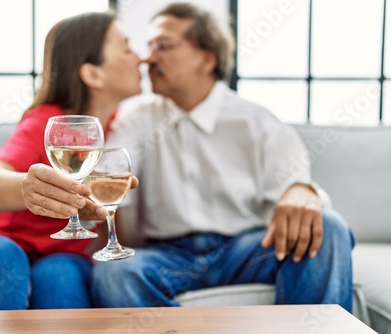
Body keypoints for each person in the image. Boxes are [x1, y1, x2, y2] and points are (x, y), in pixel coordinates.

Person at [91, 3, 355, 311]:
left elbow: (298, 192)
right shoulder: (135, 118)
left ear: (206, 58)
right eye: (148, 47)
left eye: (163, 46)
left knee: (329, 226)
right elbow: (106, 176)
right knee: (114, 272)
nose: (148, 58)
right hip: (168, 256)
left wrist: (304, 190)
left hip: (245, 250)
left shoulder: (257, 123)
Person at [0, 11, 142, 311]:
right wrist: (28, 188)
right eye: (127, 49)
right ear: (93, 74)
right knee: (2, 255)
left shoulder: (120, 130)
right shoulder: (46, 123)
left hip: (57, 257)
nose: (139, 58)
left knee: (62, 276)